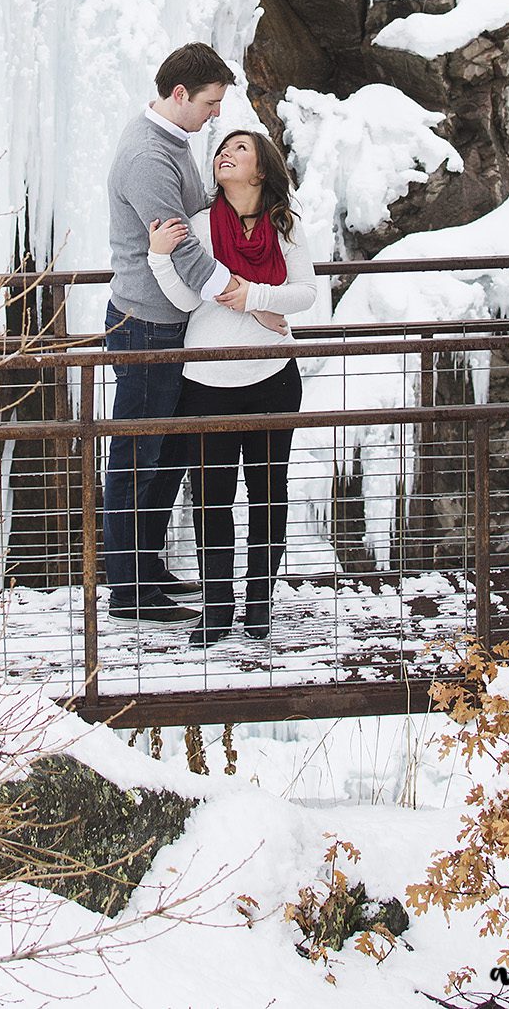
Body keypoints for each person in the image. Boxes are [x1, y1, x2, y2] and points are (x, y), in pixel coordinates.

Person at [147, 128, 316, 645]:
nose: (226, 153)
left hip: (272, 381)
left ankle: (260, 603)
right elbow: (182, 300)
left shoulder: (285, 225)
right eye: (222, 148)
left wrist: (255, 298)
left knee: (269, 494)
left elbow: (305, 293)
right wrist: (158, 256)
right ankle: (218, 607)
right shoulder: (198, 224)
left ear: (261, 169)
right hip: (205, 382)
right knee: (212, 500)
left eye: (240, 149)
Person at [104, 43, 245, 625]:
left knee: (164, 452)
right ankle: (129, 590)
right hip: (146, 327)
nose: (217, 114)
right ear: (180, 94)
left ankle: (147, 565)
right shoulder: (147, 156)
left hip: (167, 322)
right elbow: (181, 248)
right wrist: (244, 296)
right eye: (211, 102)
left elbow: (195, 218)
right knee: (137, 454)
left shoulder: (173, 142)